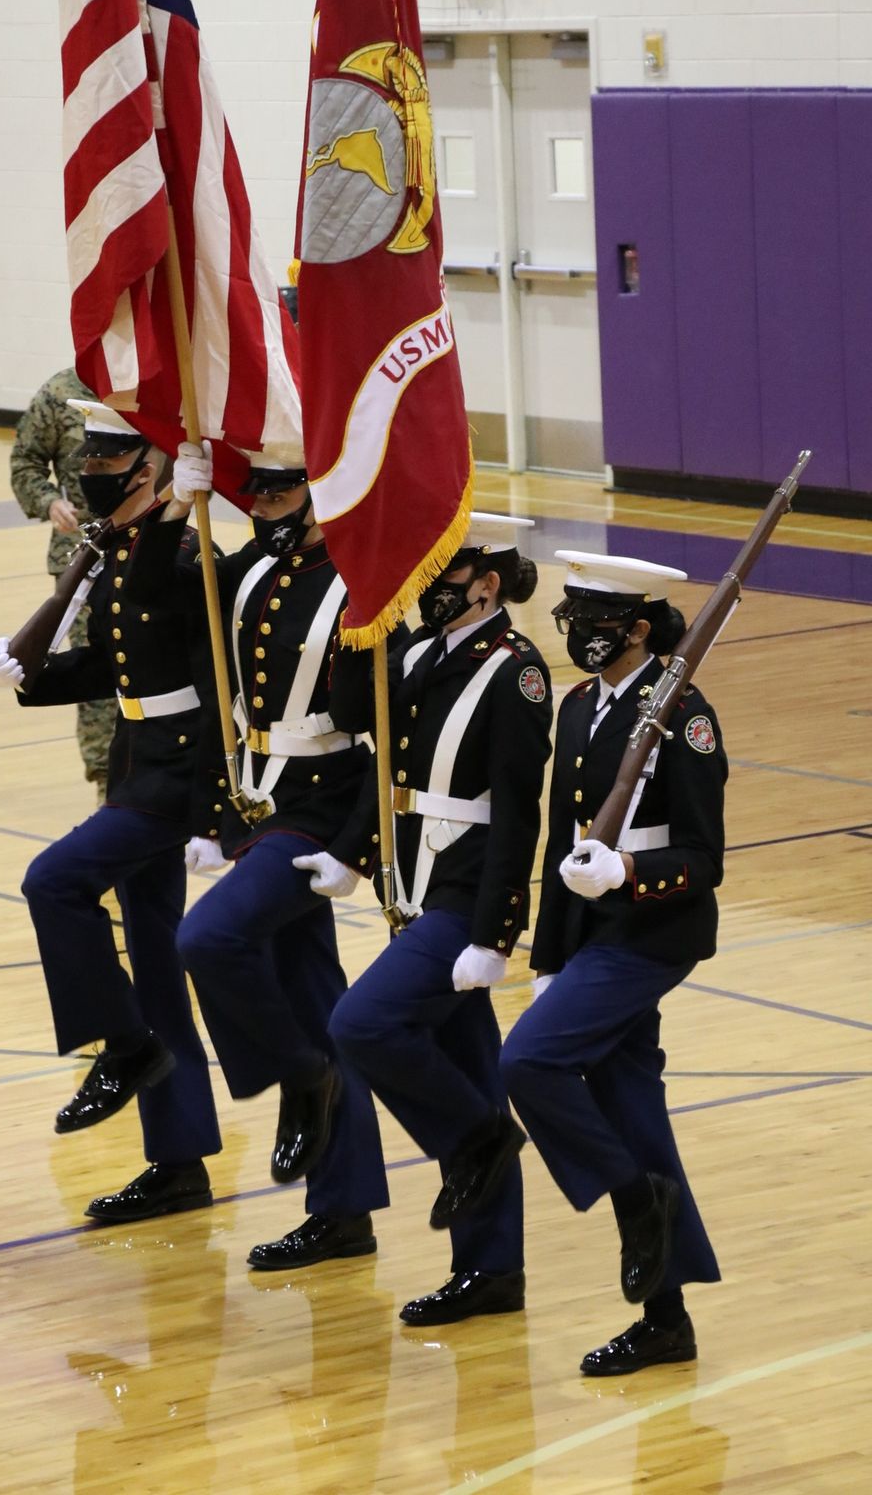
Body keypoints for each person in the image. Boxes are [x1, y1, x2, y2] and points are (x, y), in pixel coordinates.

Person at [125, 443, 389, 1269]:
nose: (266, 506)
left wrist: (358, 851)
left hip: (320, 810)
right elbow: (157, 613)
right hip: (259, 804)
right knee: (317, 998)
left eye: (282, 494)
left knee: (206, 940)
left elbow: (389, 736)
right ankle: (343, 1209)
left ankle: (299, 1076)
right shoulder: (245, 576)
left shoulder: (361, 588)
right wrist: (174, 506)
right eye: (258, 495)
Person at [0, 404, 221, 1223]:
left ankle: (124, 1047)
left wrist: (215, 809)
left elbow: (212, 680)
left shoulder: (181, 550)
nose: (90, 477)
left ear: (146, 472)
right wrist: (31, 674)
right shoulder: (116, 546)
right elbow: (123, 665)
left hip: (174, 778)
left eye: (108, 466)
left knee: (53, 882)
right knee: (155, 963)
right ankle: (180, 1160)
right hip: (135, 764)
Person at [500, 550, 725, 1376]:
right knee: (632, 1109)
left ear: (636, 629)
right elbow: (567, 844)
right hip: (591, 936)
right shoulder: (579, 707)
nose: (579, 637)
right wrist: (551, 953)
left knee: (526, 1059)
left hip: (652, 933)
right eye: (572, 621)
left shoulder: (685, 718)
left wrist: (630, 871)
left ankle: (637, 1201)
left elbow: (705, 857)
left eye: (595, 624)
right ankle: (666, 1319)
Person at [325, 515, 552, 1327]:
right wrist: (363, 607)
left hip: (465, 893)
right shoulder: (423, 651)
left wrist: (496, 936)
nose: (425, 590)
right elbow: (365, 732)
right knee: (470, 1065)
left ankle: (477, 1141)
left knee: (361, 1023)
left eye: (440, 577)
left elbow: (520, 815)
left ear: (486, 585)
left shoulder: (517, 673)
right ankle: (491, 1269)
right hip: (412, 884)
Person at [9, 367, 114, 793]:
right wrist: (50, 501)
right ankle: (107, 779)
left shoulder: (153, 381)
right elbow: (25, 462)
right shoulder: (60, 392)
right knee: (96, 667)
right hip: (83, 554)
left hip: (152, 544)